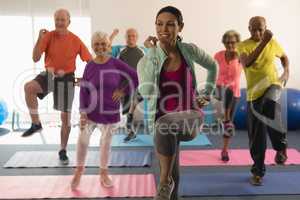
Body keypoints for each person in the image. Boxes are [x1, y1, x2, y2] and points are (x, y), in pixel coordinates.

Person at [138, 6, 217, 200]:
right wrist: (151, 54)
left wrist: (207, 93)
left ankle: (164, 182)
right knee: (173, 168)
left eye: (170, 24)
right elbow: (147, 91)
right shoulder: (147, 59)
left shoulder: (189, 51)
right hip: (161, 124)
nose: (163, 28)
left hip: (191, 116)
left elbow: (213, 66)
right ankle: (169, 186)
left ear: (180, 27)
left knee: (165, 176)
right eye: (159, 24)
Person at [23, 9, 92, 164]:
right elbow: (35, 58)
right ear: (54, 21)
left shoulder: (76, 40)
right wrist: (39, 39)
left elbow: (90, 61)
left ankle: (63, 150)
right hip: (49, 74)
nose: (60, 22)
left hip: (67, 78)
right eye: (57, 20)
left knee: (65, 118)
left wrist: (85, 78)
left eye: (63, 20)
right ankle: (36, 123)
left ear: (69, 22)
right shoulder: (48, 36)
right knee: (29, 87)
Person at [71, 31, 138, 190]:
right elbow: (84, 90)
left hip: (110, 111)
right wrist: (82, 112)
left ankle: (103, 173)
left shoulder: (115, 63)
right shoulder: (90, 66)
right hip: (91, 111)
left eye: (103, 44)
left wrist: (123, 90)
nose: (100, 47)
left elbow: (134, 76)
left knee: (105, 143)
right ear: (93, 46)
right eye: (97, 44)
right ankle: (79, 171)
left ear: (108, 46)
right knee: (83, 141)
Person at [237, 16, 289, 186]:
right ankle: (258, 171)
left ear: (266, 27)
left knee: (271, 106)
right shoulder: (242, 46)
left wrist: (286, 71)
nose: (257, 32)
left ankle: (280, 147)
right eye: (253, 29)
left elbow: (284, 57)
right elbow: (248, 63)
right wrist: (264, 42)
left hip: (272, 86)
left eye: (261, 29)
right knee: (256, 135)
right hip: (253, 94)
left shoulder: (273, 43)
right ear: (248, 28)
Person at [111, 28, 147, 142]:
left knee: (136, 100)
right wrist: (113, 35)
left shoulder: (142, 51)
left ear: (137, 37)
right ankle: (130, 130)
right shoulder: (119, 50)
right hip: (123, 85)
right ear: (125, 38)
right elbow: (106, 48)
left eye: (133, 36)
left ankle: (130, 119)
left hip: (139, 83)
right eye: (128, 36)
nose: (131, 38)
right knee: (126, 110)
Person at [214, 30, 242, 162]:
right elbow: (212, 70)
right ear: (224, 43)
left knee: (228, 125)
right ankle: (226, 119)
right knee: (227, 91)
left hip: (234, 92)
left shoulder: (242, 56)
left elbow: (251, 68)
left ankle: (224, 150)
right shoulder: (218, 55)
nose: (230, 45)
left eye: (233, 42)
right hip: (220, 90)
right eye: (227, 42)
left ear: (237, 43)